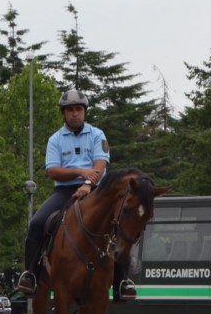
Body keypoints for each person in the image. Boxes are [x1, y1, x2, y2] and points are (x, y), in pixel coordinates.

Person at [16, 89, 135, 300]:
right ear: (63, 113)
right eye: (70, 110)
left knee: (120, 225)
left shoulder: (98, 135)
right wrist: (80, 172)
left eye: (79, 109)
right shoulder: (55, 139)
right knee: (37, 223)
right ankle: (30, 275)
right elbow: (53, 171)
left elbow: (100, 165)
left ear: (85, 112)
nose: (75, 114)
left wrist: (88, 182)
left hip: (97, 191)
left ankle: (122, 283)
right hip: (64, 191)